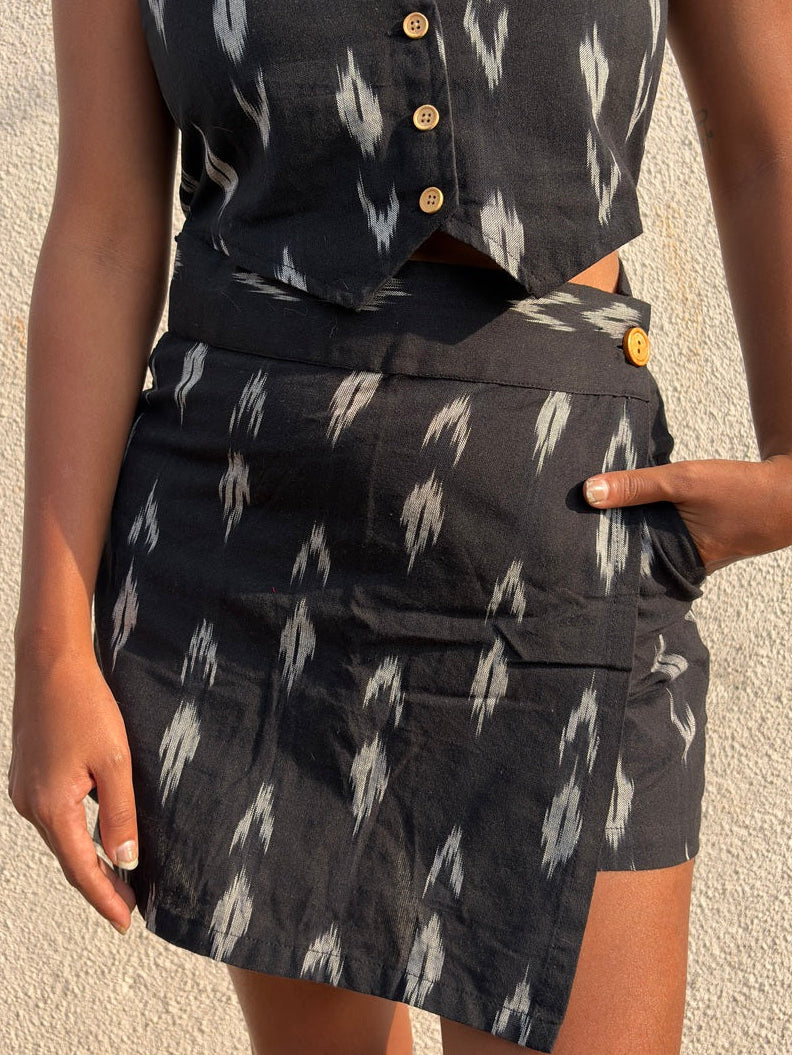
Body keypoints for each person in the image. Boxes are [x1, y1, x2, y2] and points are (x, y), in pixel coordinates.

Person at [8, 1, 792, 1053]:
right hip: (250, 553)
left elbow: (771, 144)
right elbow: (102, 229)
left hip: (564, 539)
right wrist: (51, 648)